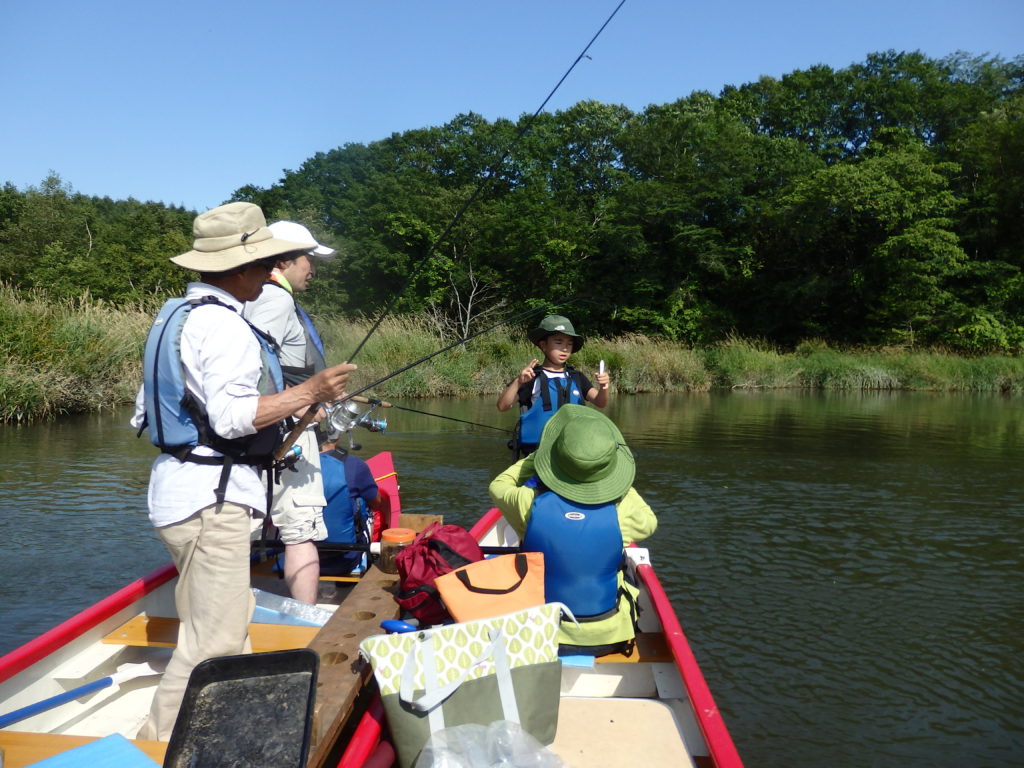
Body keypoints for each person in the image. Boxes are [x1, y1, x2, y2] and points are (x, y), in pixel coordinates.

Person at [131, 202, 356, 741]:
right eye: (263, 264)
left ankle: (222, 731)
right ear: (241, 268)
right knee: (213, 644)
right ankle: (159, 746)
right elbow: (232, 419)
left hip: (176, 493)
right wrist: (309, 393)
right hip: (213, 501)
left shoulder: (173, 317)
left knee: (211, 627)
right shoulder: (226, 326)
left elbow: (146, 412)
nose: (268, 273)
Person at [488, 404, 656, 656]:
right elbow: (650, 522)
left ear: (554, 459)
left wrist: (536, 459)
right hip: (611, 635)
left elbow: (498, 486)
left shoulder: (527, 502)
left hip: (543, 634)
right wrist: (617, 483)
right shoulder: (624, 507)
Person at [242, 220, 337, 604]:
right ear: (282, 260)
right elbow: (252, 363)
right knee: (300, 531)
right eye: (307, 259)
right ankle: (304, 621)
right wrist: (300, 404)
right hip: (284, 431)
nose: (312, 269)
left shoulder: (257, 296)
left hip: (271, 428)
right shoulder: (275, 299)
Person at [496, 314, 610, 457]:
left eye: (569, 344)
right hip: (537, 453)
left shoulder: (577, 377)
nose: (564, 349)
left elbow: (600, 402)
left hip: (573, 452)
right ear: (543, 345)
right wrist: (518, 382)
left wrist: (604, 386)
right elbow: (502, 406)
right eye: (558, 342)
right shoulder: (531, 376)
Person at [318, 436, 387, 576]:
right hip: (344, 560)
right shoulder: (354, 464)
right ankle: (367, 558)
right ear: (336, 438)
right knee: (365, 506)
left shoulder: (292, 464)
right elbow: (377, 503)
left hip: (293, 558)